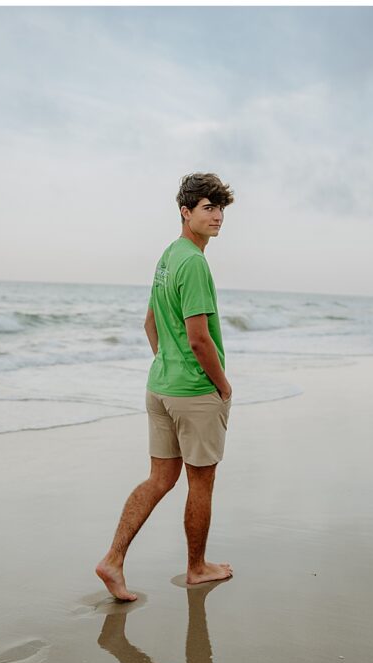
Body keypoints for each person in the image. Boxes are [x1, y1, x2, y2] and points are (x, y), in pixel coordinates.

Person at [96, 173, 236, 600]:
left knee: (160, 478)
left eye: (220, 209)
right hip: (193, 392)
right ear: (185, 211)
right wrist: (222, 386)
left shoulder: (168, 256)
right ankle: (196, 568)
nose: (216, 217)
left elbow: (150, 321)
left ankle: (113, 559)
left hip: (160, 386)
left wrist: (165, 362)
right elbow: (198, 337)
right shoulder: (193, 262)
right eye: (207, 208)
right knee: (201, 483)